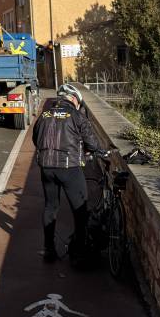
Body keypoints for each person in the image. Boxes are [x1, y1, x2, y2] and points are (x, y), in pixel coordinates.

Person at [32, 83, 101, 263]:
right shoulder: (77, 116)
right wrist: (96, 151)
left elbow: (35, 138)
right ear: (74, 99)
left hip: (46, 168)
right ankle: (79, 251)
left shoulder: (44, 115)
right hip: (70, 169)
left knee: (50, 207)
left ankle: (49, 250)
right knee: (80, 210)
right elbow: (92, 144)